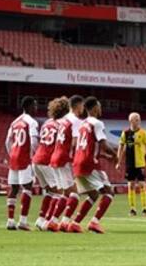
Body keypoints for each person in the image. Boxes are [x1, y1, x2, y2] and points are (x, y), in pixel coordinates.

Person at [67, 96, 116, 234]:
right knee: (108, 192)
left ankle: (74, 223)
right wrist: (115, 155)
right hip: (89, 164)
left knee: (93, 195)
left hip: (77, 163)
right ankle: (94, 222)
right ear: (94, 108)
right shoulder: (97, 123)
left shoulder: (82, 124)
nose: (100, 109)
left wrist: (104, 156)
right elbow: (103, 144)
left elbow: (84, 146)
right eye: (99, 106)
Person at [47, 94, 85, 231]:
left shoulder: (62, 120)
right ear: (78, 106)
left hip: (55, 157)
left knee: (64, 193)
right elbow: (75, 142)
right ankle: (65, 223)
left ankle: (53, 221)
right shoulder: (76, 121)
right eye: (82, 106)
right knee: (74, 193)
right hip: (64, 159)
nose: (83, 109)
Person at [32, 96, 69, 231]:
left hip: (37, 159)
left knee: (49, 191)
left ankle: (41, 218)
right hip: (48, 161)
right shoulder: (63, 125)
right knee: (60, 192)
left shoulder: (47, 122)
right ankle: (49, 221)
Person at [5, 96, 39, 231]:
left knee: (13, 188)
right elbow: (34, 140)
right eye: (35, 106)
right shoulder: (32, 122)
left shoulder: (15, 122)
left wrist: (12, 153)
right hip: (25, 158)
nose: (36, 108)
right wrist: (33, 154)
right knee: (27, 187)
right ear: (29, 106)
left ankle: (10, 221)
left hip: (13, 157)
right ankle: (23, 221)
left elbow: (7, 141)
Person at [116, 112, 146, 217]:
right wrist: (118, 161)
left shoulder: (144, 133)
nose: (138, 121)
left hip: (140, 163)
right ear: (130, 121)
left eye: (139, 119)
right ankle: (132, 209)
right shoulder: (125, 133)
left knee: (142, 185)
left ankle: (145, 208)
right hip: (130, 164)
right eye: (136, 119)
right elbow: (121, 147)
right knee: (131, 185)